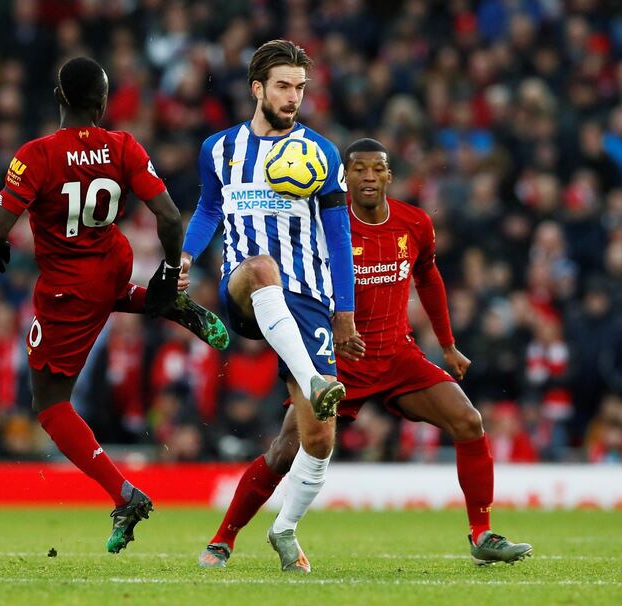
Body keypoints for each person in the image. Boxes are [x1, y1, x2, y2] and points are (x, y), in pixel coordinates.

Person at [198, 138, 532, 571]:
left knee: (468, 420)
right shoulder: (323, 228)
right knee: (286, 450)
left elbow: (429, 278)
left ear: (390, 176)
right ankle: (223, 538)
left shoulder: (415, 223)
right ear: (344, 177)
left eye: (378, 169)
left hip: (397, 356)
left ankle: (482, 533)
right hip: (338, 362)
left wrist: (447, 344)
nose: (369, 177)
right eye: (359, 170)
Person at [0, 57, 229, 554]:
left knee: (49, 406)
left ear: (58, 99)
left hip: (67, 290)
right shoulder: (123, 146)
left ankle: (124, 493)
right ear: (103, 102)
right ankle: (170, 305)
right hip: (113, 265)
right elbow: (169, 216)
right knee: (110, 295)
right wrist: (166, 273)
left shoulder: (38, 154)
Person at [179, 39, 362, 572]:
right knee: (262, 267)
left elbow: (337, 237)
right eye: (283, 86)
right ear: (258, 88)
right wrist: (187, 255)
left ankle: (274, 531)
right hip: (246, 286)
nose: (293, 96)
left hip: (306, 300)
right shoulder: (219, 149)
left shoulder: (323, 154)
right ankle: (315, 381)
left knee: (313, 440)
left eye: (300, 88)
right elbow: (209, 208)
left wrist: (343, 312)